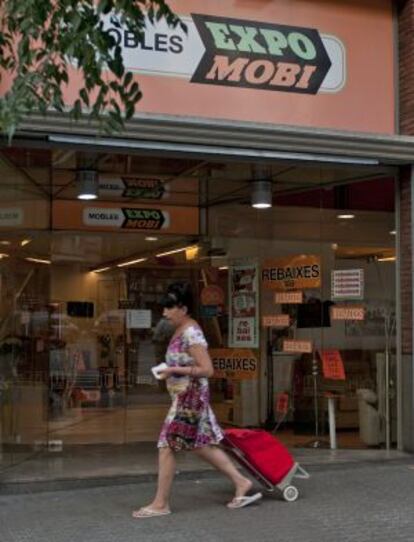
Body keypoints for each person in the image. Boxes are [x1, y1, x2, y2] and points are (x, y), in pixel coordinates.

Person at [132, 282, 262, 518]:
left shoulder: (191, 332)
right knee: (201, 444)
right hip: (186, 397)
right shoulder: (181, 329)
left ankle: (161, 504)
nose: (164, 313)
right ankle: (241, 482)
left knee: (167, 445)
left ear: (183, 309)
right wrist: (172, 369)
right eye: (164, 307)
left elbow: (207, 369)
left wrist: (173, 370)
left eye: (169, 308)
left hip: (190, 399)